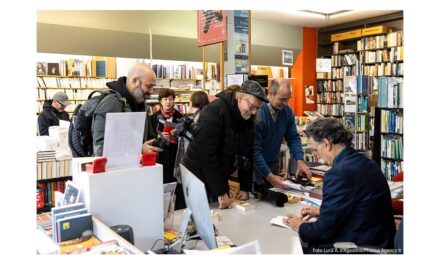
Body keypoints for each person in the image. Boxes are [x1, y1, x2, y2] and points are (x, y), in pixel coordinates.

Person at [282, 118, 396, 253]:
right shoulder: (367, 162)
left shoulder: (338, 173)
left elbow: (323, 231)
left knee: (296, 247)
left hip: (359, 247)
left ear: (326, 144)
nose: (317, 155)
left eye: (315, 150)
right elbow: (361, 206)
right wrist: (323, 211)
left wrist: (300, 225)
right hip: (381, 241)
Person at [182, 80, 268, 209]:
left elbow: (248, 153)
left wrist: (245, 187)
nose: (254, 112)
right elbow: (207, 156)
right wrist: (220, 191)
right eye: (252, 106)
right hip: (198, 174)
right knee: (204, 215)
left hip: (219, 173)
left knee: (224, 214)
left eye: (257, 108)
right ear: (240, 97)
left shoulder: (247, 116)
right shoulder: (214, 111)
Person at [254, 78, 311, 192]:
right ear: (270, 93)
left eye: (288, 99)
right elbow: (255, 151)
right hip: (255, 167)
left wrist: (300, 161)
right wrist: (269, 176)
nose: (285, 103)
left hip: (273, 163)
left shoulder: (287, 111)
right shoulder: (258, 113)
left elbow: (293, 138)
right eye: (282, 99)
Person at [92, 63, 161, 156]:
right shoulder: (111, 103)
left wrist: (157, 142)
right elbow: (100, 150)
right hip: (115, 169)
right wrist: (139, 149)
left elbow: (147, 137)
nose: (152, 91)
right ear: (134, 81)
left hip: (135, 167)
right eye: (149, 86)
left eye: (153, 87)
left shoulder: (140, 102)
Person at [172, 91, 210, 210]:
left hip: (193, 162)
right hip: (200, 162)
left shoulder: (196, 119)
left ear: (192, 102)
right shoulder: (204, 115)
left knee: (195, 197)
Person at [150, 88, 183, 184]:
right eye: (165, 99)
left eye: (170, 99)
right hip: (160, 154)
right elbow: (149, 137)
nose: (168, 102)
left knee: (174, 182)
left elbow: (185, 139)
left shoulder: (180, 117)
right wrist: (158, 137)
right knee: (161, 181)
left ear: (173, 100)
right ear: (160, 101)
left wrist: (178, 134)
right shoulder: (153, 118)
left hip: (175, 154)